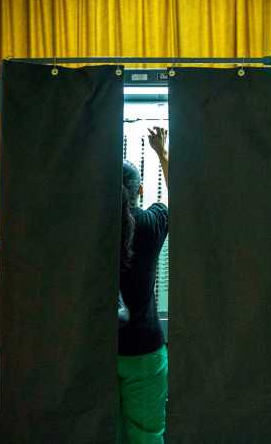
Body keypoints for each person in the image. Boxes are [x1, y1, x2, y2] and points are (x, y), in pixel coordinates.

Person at [118, 126, 169, 443]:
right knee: (147, 435)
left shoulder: (86, 226)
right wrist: (161, 153)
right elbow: (186, 197)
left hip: (94, 349)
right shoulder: (150, 225)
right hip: (144, 352)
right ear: (138, 191)